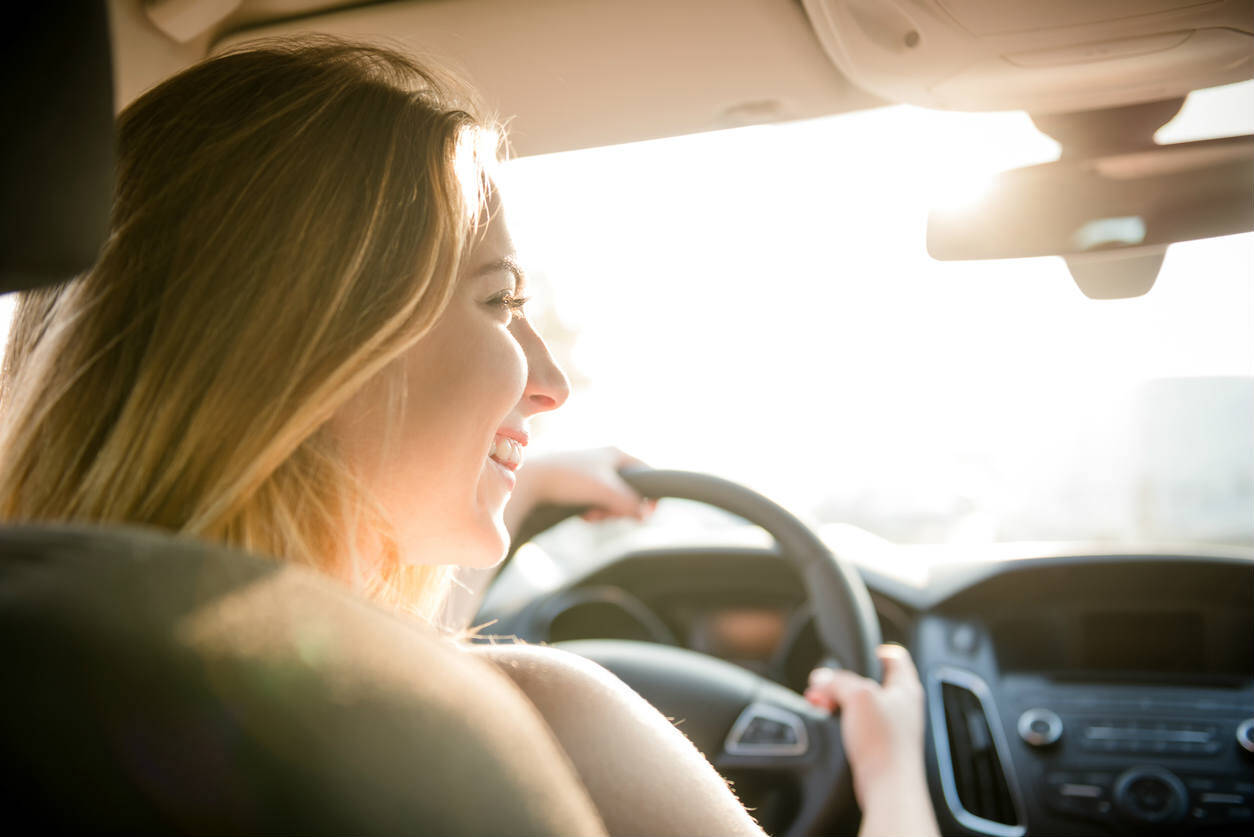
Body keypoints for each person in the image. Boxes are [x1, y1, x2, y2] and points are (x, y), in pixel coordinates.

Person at [0, 39, 938, 836]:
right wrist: (894, 780)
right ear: (316, 345)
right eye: (500, 301)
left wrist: (520, 485)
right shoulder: (544, 723)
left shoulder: (50, 678)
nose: (552, 383)